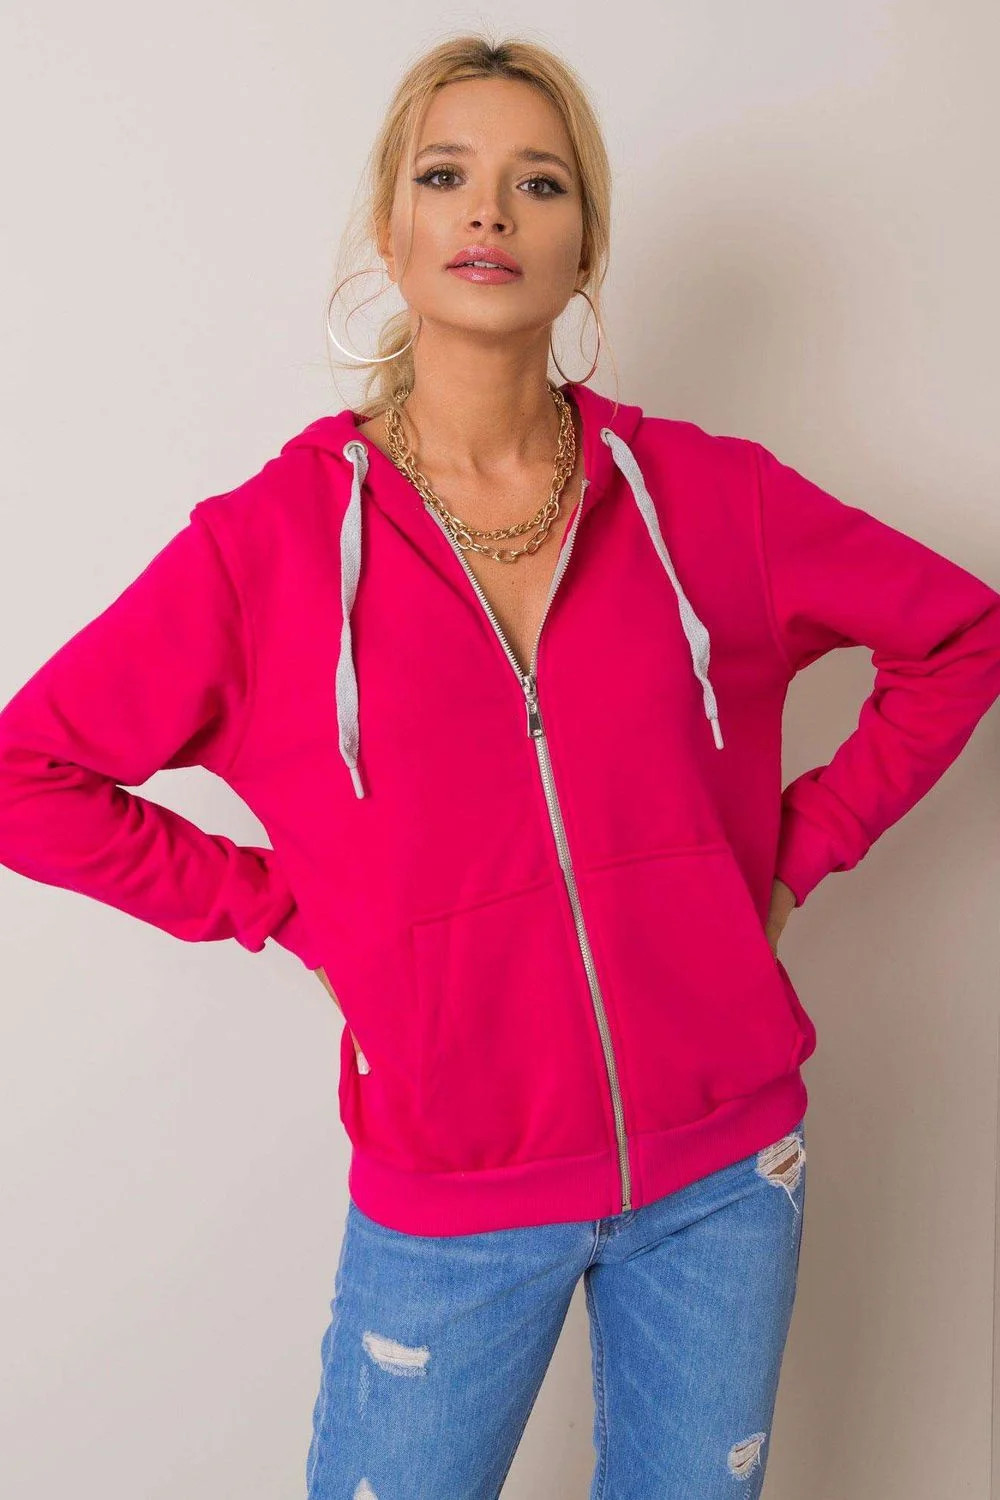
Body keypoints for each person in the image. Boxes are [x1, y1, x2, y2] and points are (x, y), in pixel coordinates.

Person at [2, 32, 999, 1500]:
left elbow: (961, 633)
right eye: (445, 176)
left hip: (726, 1177)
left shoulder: (709, 498)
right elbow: (27, 774)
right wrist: (286, 909)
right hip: (454, 1196)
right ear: (389, 229)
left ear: (586, 244)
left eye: (538, 182)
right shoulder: (268, 551)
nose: (488, 210)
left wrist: (789, 858)